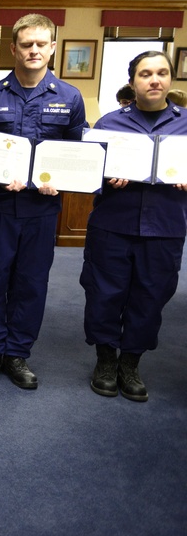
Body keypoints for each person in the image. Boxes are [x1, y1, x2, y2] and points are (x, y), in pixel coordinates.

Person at [0, 13, 87, 389]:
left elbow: (76, 153)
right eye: (26, 44)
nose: (33, 50)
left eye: (40, 44)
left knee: (31, 283)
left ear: (52, 47)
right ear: (13, 49)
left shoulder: (70, 98)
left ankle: (17, 353)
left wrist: (60, 182)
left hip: (41, 209)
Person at [80, 51, 187, 402]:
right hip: (113, 224)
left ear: (171, 79)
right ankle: (106, 360)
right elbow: (86, 175)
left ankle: (131, 362)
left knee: (151, 297)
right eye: (145, 74)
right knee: (104, 293)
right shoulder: (110, 124)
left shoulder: (186, 124)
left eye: (161, 73)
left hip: (165, 227)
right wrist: (106, 176)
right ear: (132, 82)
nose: (154, 80)